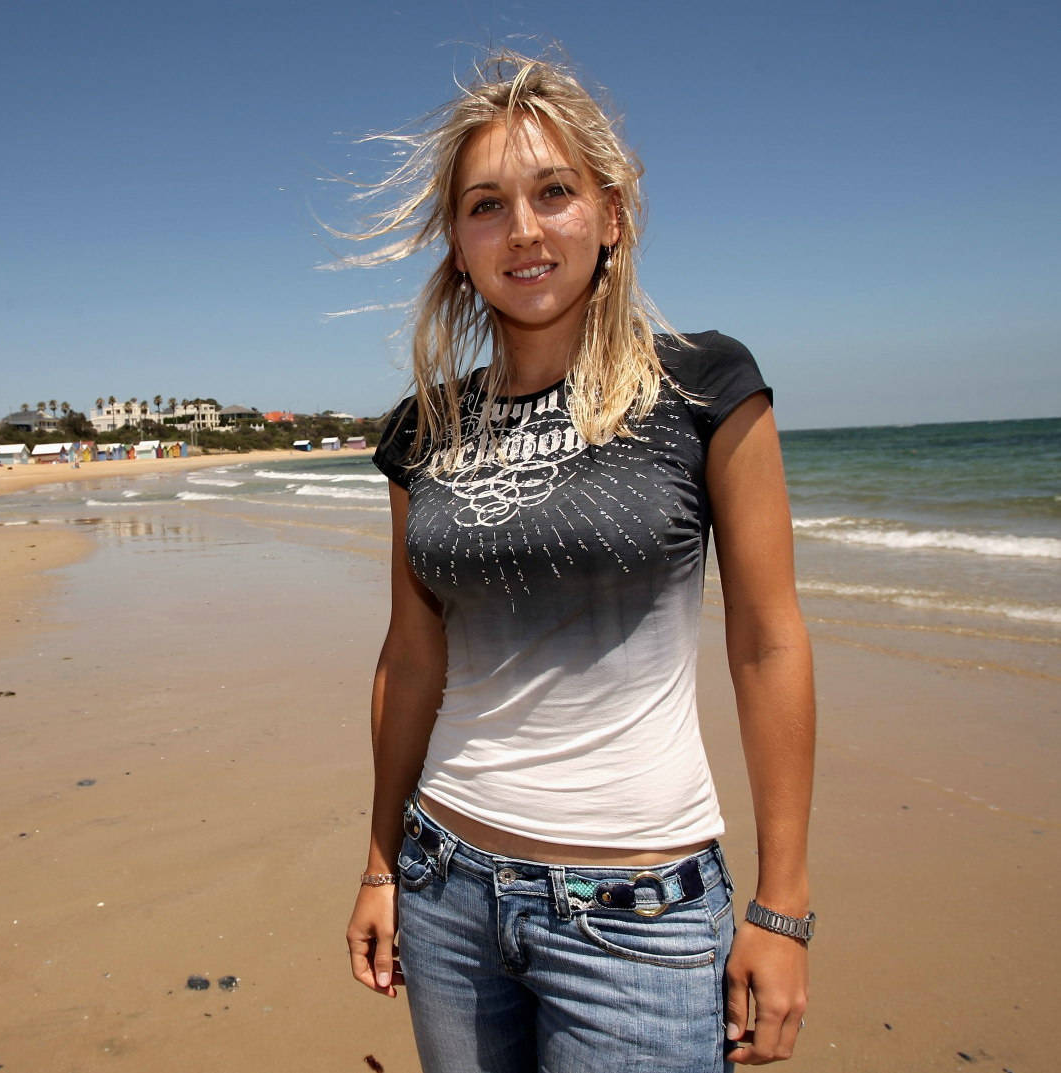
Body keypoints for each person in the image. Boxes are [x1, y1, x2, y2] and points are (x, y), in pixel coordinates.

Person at [343, 51, 815, 1071]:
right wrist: (381, 863)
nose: (522, 229)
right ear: (456, 244)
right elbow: (411, 658)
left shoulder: (705, 387)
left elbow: (768, 640)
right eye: (485, 205)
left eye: (553, 192)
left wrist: (782, 907)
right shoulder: (421, 433)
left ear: (611, 213)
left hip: (640, 918)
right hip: (446, 886)